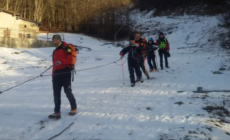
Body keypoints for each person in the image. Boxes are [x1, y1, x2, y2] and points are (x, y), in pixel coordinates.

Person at [49, 35, 77, 119]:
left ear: (60, 40)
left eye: (57, 40)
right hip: (56, 75)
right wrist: (53, 75)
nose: (55, 41)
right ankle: (57, 112)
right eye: (54, 40)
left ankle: (74, 108)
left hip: (65, 72)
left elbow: (69, 60)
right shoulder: (54, 51)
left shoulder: (66, 48)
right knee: (56, 94)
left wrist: (61, 61)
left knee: (67, 91)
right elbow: (54, 65)